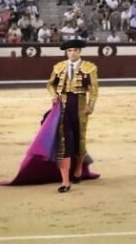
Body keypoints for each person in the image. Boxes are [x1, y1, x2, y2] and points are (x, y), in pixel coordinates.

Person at [47, 40, 99, 192]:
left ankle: (77, 170)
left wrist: (91, 105)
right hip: (63, 107)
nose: (72, 53)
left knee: (79, 140)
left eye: (75, 50)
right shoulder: (59, 67)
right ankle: (65, 181)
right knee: (64, 142)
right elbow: (50, 84)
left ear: (80, 51)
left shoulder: (89, 68)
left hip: (80, 106)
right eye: (69, 51)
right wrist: (53, 95)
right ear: (66, 52)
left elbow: (94, 90)